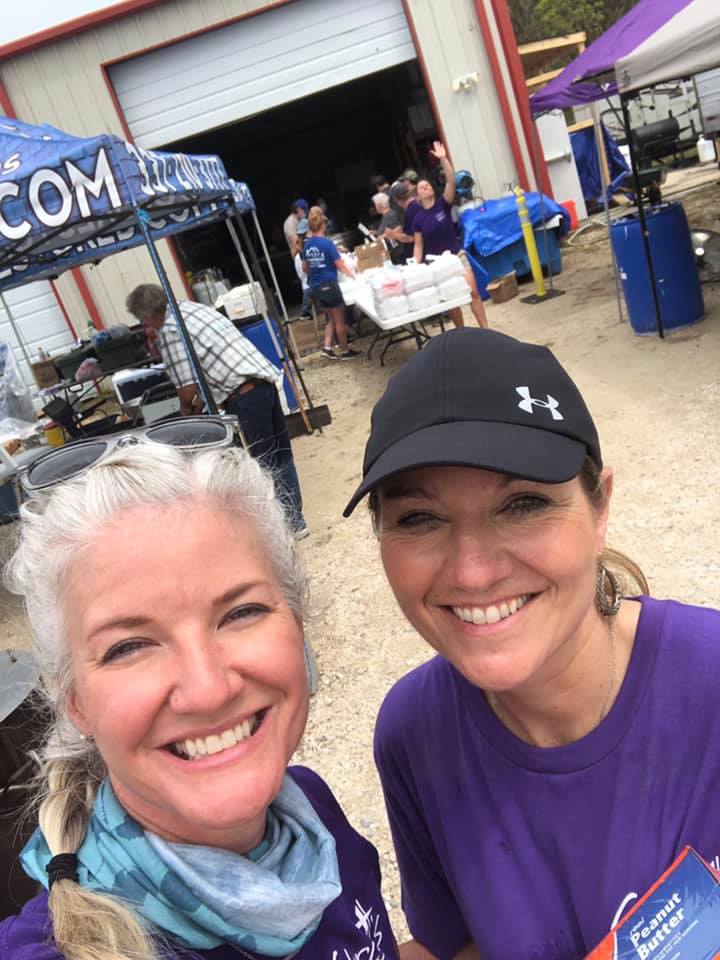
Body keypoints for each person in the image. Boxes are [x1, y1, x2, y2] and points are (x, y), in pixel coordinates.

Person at [343, 327, 720, 960]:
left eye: (522, 504)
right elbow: (456, 945)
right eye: (420, 518)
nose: (473, 572)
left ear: (600, 509)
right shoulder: (414, 734)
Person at [0, 437, 400, 960]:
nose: (208, 689)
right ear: (74, 701)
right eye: (129, 646)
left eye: (241, 613)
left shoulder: (310, 808)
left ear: (298, 627)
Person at [125, 284, 307, 538]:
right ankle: (295, 520)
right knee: (281, 456)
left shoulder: (169, 330)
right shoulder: (192, 309)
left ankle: (279, 529)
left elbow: (187, 391)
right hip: (263, 381)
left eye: (143, 321)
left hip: (244, 393)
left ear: (146, 316)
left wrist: (184, 422)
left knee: (263, 464)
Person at [412, 142, 487, 329]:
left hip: (456, 255)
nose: (426, 188)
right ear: (417, 197)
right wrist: (415, 265)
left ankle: (486, 329)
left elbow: (451, 181)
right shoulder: (418, 219)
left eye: (428, 185)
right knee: (453, 300)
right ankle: (461, 332)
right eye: (422, 187)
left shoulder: (442, 205)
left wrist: (443, 158)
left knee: (473, 293)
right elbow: (418, 245)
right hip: (438, 264)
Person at [301, 206, 359, 362]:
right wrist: (352, 275)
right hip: (329, 284)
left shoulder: (307, 245)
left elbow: (305, 268)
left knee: (331, 318)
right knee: (340, 320)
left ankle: (327, 348)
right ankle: (345, 351)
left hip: (316, 286)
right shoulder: (327, 244)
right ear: (322, 226)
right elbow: (340, 264)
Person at [373, 192, 406, 265]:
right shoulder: (386, 215)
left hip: (398, 252)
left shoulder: (390, 215)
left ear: (379, 205)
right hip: (394, 252)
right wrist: (376, 232)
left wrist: (383, 236)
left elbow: (398, 229)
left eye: (375, 204)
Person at [293, 216, 312, 320]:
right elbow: (304, 272)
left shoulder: (302, 250)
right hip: (309, 284)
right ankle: (305, 311)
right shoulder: (300, 254)